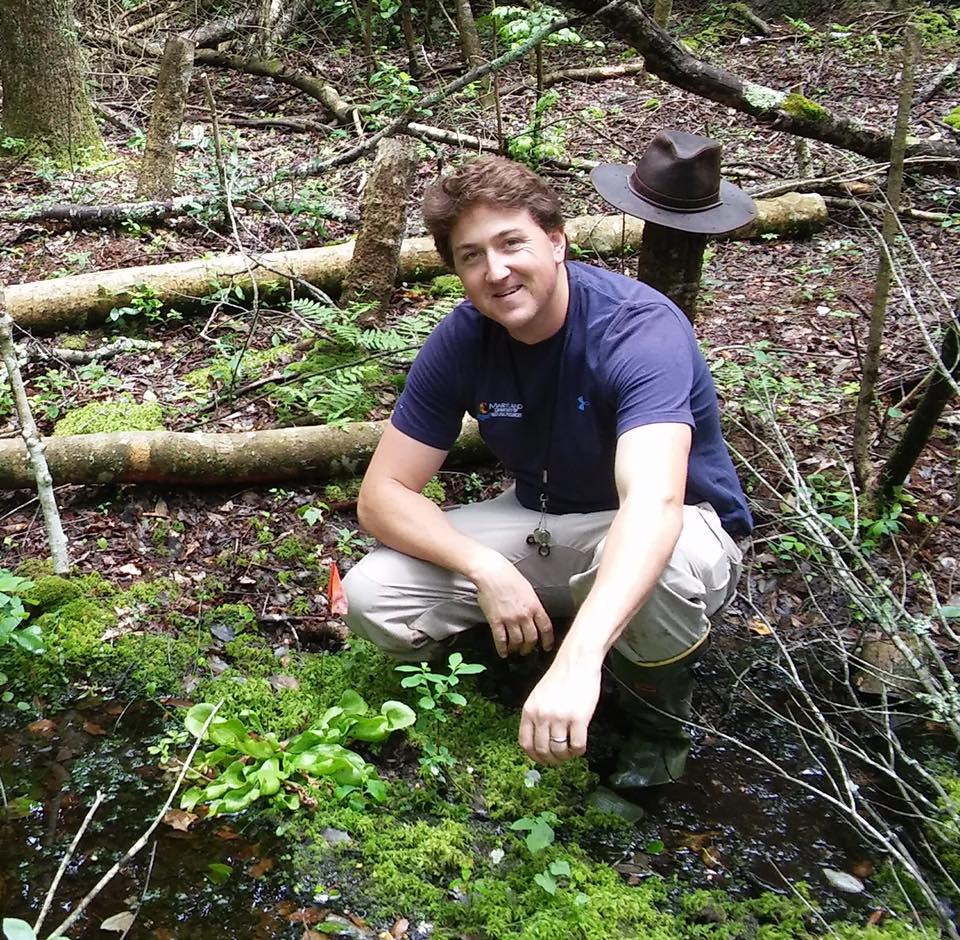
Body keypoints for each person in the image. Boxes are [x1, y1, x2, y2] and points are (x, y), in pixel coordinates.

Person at [342, 129, 755, 788]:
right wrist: (484, 569)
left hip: (669, 528)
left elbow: (654, 505)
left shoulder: (634, 329)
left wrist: (579, 659)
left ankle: (655, 723)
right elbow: (382, 494)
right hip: (543, 520)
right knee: (372, 593)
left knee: (665, 564)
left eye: (512, 244)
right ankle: (509, 650)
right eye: (471, 256)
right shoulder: (463, 339)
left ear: (557, 242)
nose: (496, 271)